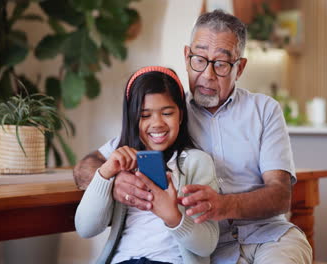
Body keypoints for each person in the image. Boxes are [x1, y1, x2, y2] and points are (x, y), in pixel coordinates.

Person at [74, 10, 312, 264]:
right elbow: (87, 166)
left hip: (269, 236)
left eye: (221, 64)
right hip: (213, 248)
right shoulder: (168, 116)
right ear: (187, 57)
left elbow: (280, 195)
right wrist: (115, 180)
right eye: (199, 60)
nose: (208, 75)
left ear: (239, 68)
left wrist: (223, 204)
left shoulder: (264, 110)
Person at [74, 66, 219, 264]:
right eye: (144, 115)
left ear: (181, 115)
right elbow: (85, 228)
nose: (157, 123)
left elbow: (207, 244)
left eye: (167, 113)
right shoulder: (120, 155)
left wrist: (174, 218)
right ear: (132, 118)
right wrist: (106, 173)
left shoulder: (197, 162)